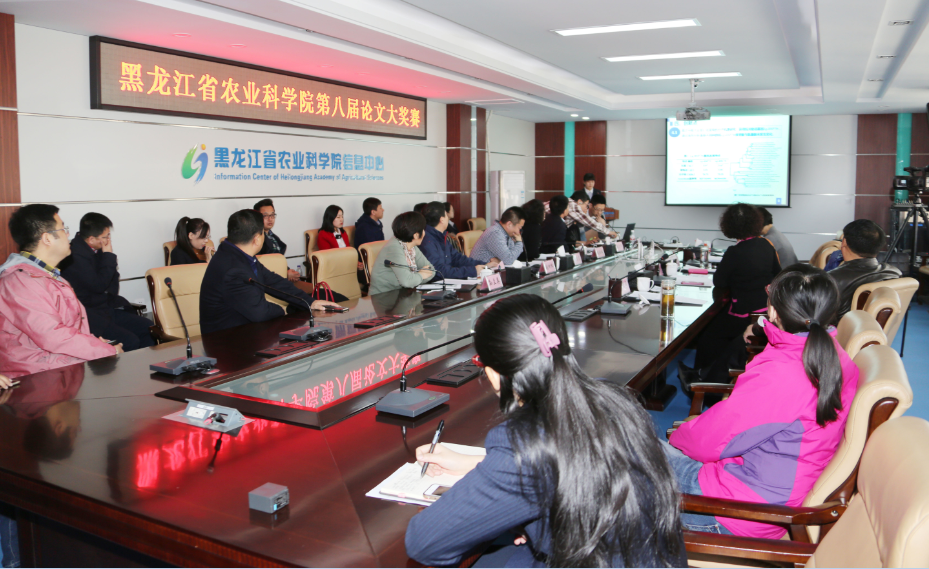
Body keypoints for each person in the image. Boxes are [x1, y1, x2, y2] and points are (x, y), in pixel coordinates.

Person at [405, 294, 686, 567]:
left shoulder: (523, 442)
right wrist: (480, 466)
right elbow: (574, 461)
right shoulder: (615, 399)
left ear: (493, 374)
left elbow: (424, 542)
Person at [667, 265, 859, 539]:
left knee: (619, 450)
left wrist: (679, 435)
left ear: (773, 311)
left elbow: (706, 442)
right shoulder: (832, 356)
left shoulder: (783, 374)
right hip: (771, 492)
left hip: (736, 510)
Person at [0, 205, 121, 379]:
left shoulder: (46, 274)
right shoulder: (20, 281)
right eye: (63, 229)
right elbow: (53, 336)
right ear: (47, 238)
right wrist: (105, 350)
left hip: (57, 368)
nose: (68, 235)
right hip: (36, 378)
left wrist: (95, 343)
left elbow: (68, 328)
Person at [680, 204, 781, 384]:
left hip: (743, 314)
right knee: (717, 330)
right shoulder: (766, 244)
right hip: (764, 311)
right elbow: (777, 274)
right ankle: (707, 374)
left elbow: (719, 281)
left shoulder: (735, 251)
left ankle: (702, 379)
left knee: (707, 333)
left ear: (729, 225)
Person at [199, 210, 342, 335]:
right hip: (228, 343)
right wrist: (283, 310)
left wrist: (310, 302)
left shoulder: (236, 253)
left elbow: (273, 281)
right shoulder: (233, 270)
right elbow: (260, 313)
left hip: (247, 331)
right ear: (257, 239)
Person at [59, 213, 155, 351]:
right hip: (90, 314)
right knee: (130, 341)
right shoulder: (74, 256)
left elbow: (112, 280)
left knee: (149, 328)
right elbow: (99, 286)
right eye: (105, 237)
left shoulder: (97, 250)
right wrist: (108, 256)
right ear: (91, 239)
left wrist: (107, 260)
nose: (108, 240)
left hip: (107, 307)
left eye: (108, 235)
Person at [828, 219, 901, 315]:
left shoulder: (831, 280)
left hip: (841, 324)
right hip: (874, 324)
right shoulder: (894, 273)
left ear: (844, 242)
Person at [419, 202, 496, 280]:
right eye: (446, 215)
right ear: (441, 220)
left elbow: (458, 259)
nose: (447, 219)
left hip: (447, 282)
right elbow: (439, 271)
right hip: (437, 284)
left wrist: (485, 265)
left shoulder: (441, 236)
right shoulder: (427, 241)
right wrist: (472, 271)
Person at [369, 212, 436, 295]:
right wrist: (420, 275)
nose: (424, 233)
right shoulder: (394, 248)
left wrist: (414, 279)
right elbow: (407, 282)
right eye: (423, 230)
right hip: (383, 297)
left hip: (403, 294)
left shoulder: (411, 246)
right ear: (415, 235)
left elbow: (432, 271)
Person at [253, 199, 302, 282]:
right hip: (268, 282)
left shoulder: (273, 237)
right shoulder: (255, 239)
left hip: (280, 279)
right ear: (257, 217)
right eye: (265, 216)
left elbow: (278, 261)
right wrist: (285, 274)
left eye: (272, 215)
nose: (270, 219)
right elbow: (261, 266)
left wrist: (289, 272)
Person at [545, 193, 617, 241]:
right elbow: (589, 222)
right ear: (579, 202)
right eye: (586, 205)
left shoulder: (566, 203)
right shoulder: (573, 205)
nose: (586, 208)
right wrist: (608, 232)